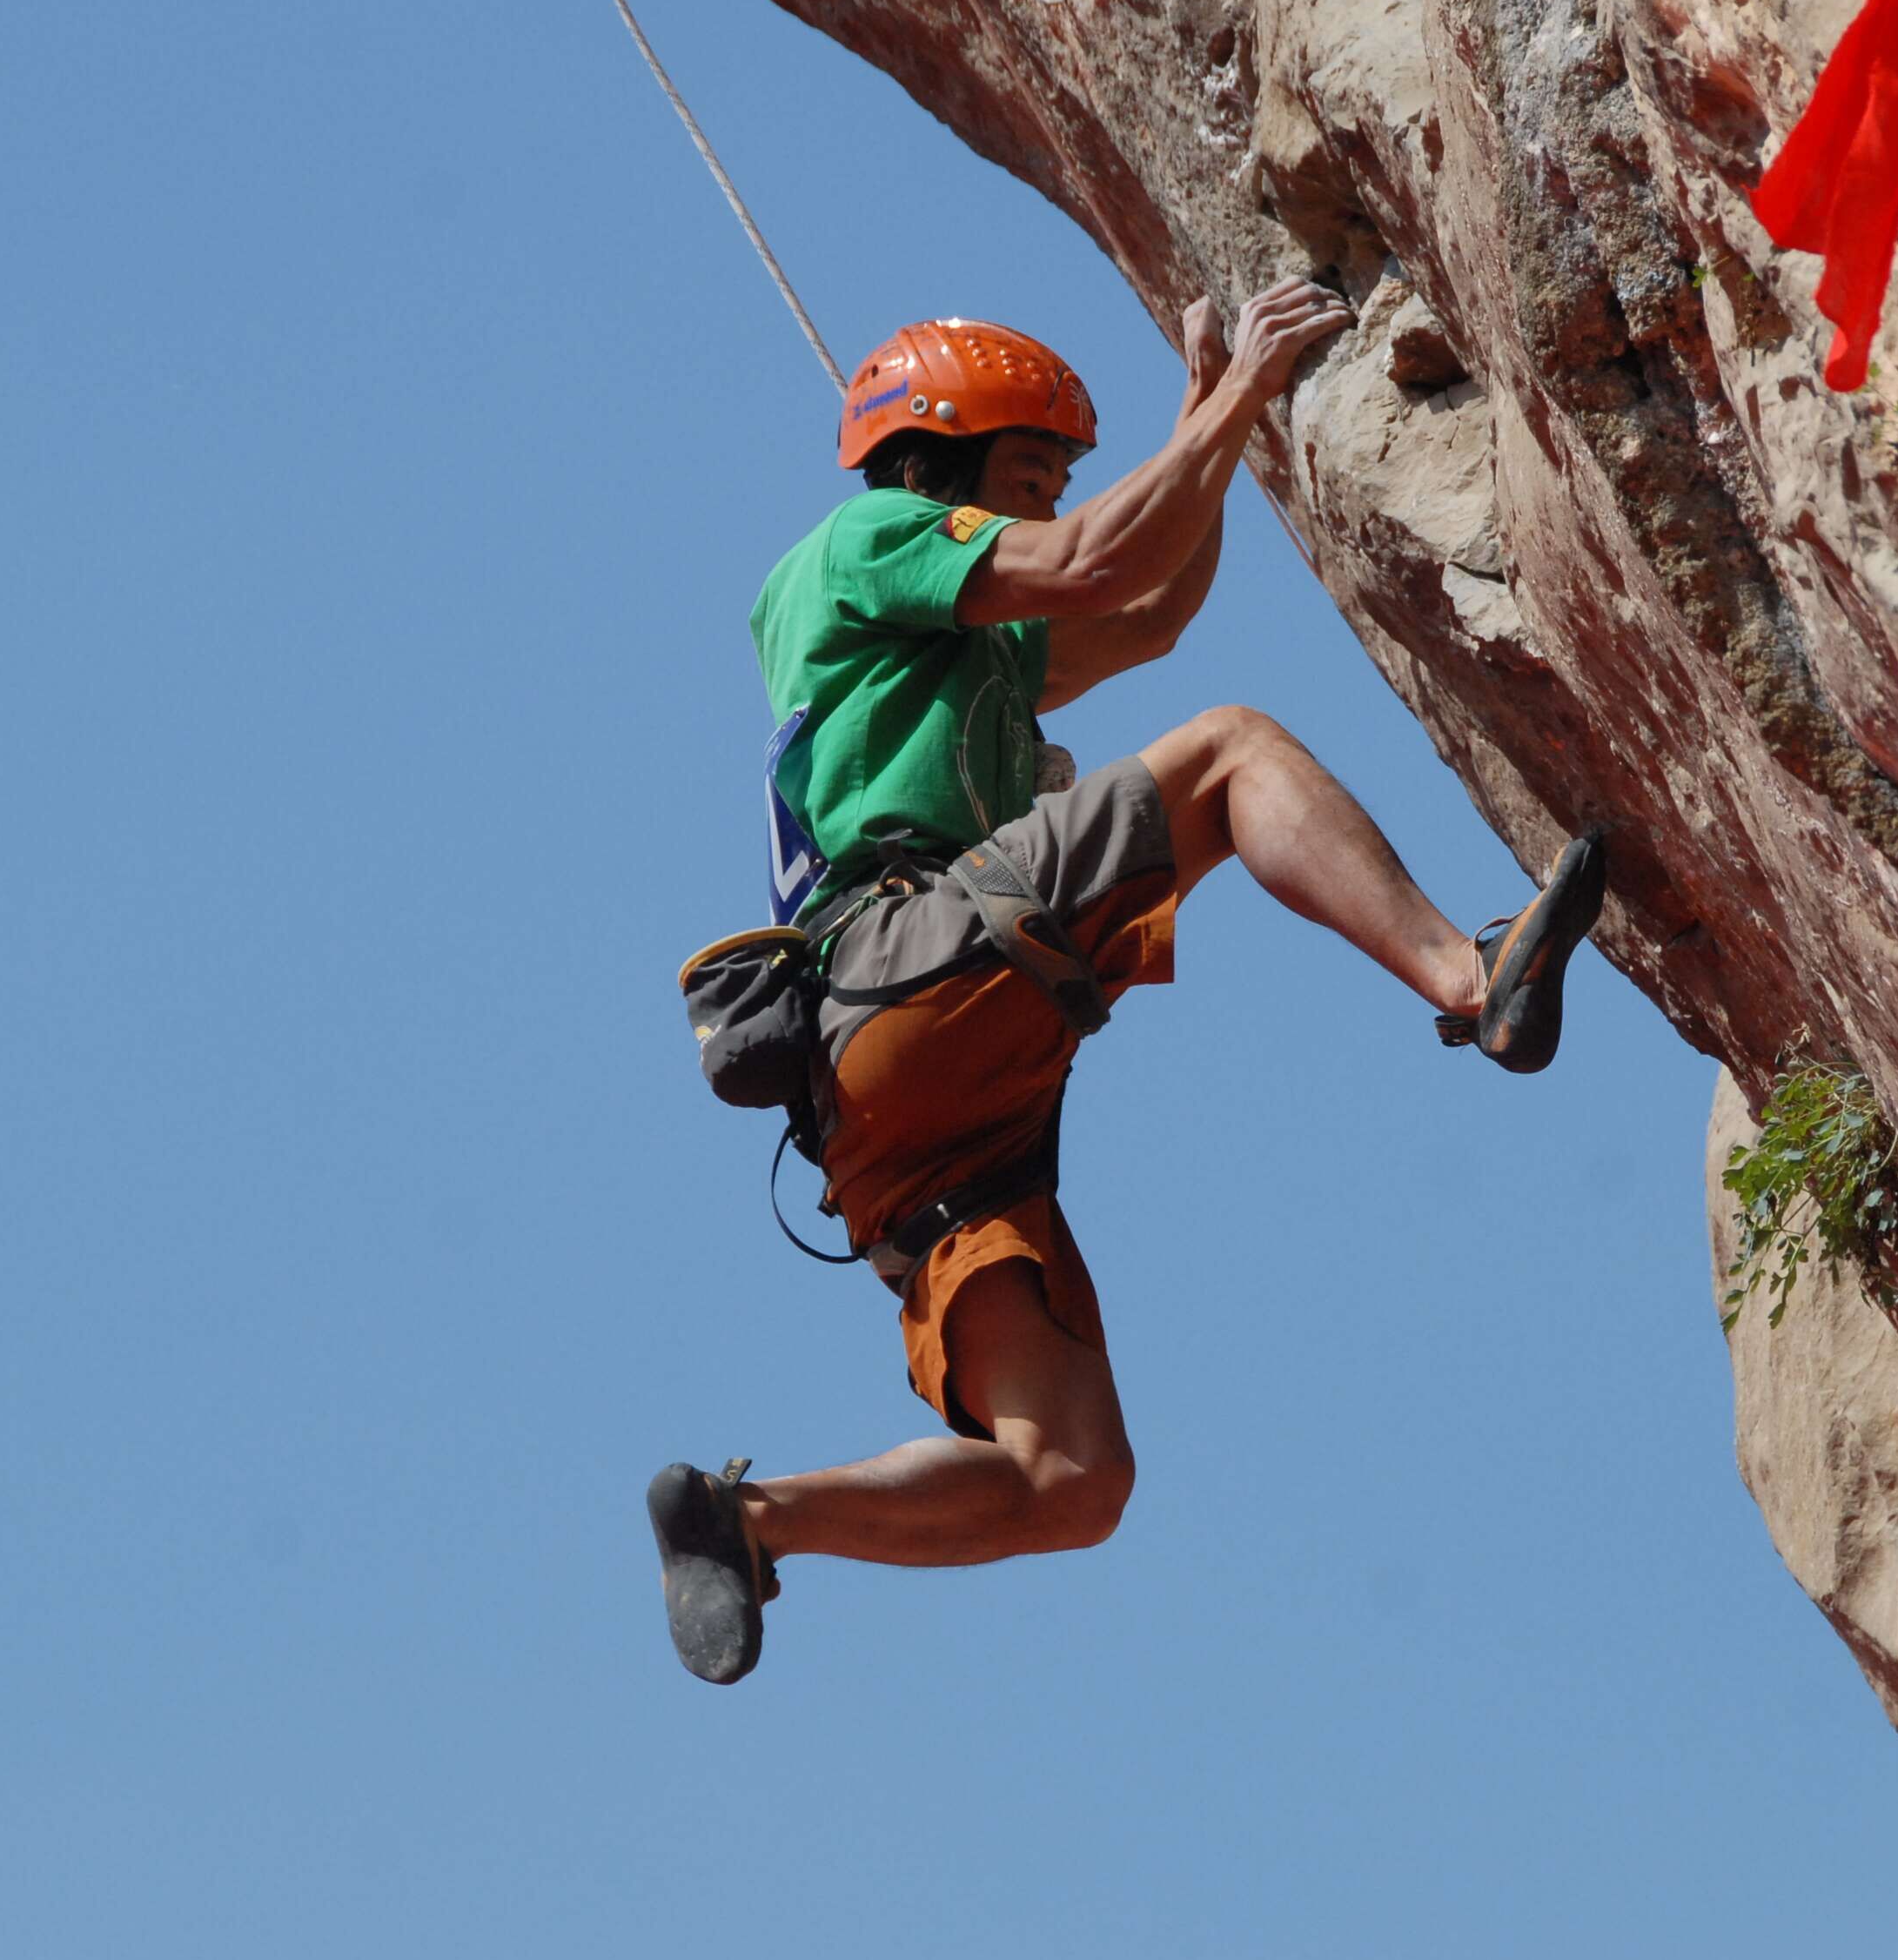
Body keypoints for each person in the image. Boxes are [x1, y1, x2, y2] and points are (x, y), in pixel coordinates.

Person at [648, 279, 1609, 1685]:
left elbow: (1147, 607)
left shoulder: (947, 653)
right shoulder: (869, 537)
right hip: (905, 971)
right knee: (1226, 753)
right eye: (1021, 478)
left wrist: (1203, 419)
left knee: (1072, 1481)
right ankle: (1474, 979)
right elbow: (1095, 561)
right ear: (935, 464)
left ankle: (752, 1523)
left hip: (893, 1118)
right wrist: (1236, 401)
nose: (1039, 508)